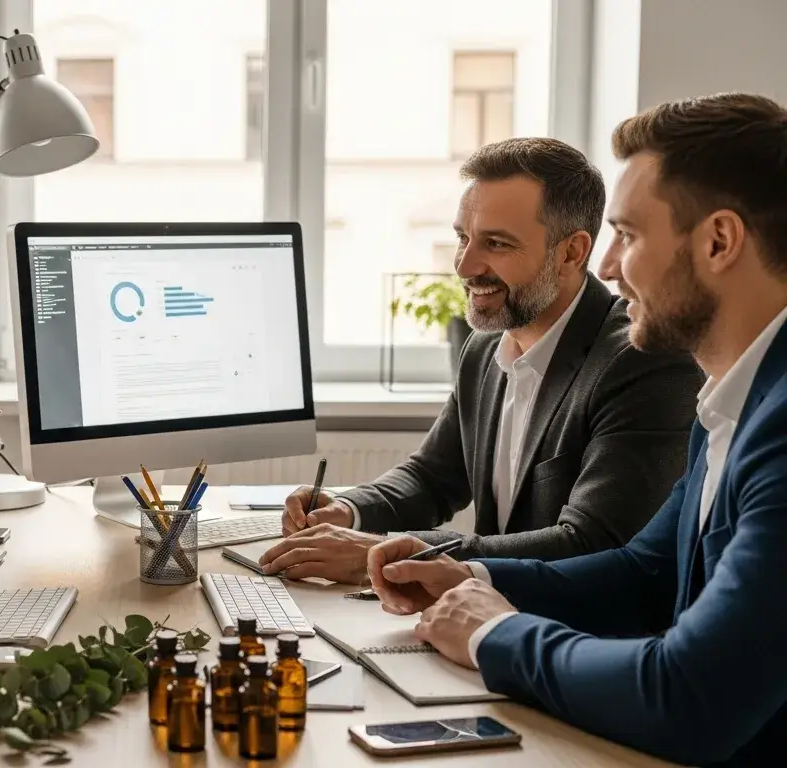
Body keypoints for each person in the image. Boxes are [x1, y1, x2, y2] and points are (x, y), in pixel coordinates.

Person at [367, 93, 787, 767]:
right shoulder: (732, 400)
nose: (610, 266)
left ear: (718, 241)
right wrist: (466, 575)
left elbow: (690, 695)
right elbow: (644, 572)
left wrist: (494, 634)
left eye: (629, 234)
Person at [260, 137, 704, 584]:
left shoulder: (643, 361)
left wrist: (384, 554)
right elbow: (434, 476)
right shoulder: (486, 345)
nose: (465, 266)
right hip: (489, 614)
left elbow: (590, 542)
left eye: (495, 243)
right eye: (462, 238)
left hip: (573, 631)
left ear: (572, 252)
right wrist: (348, 509)